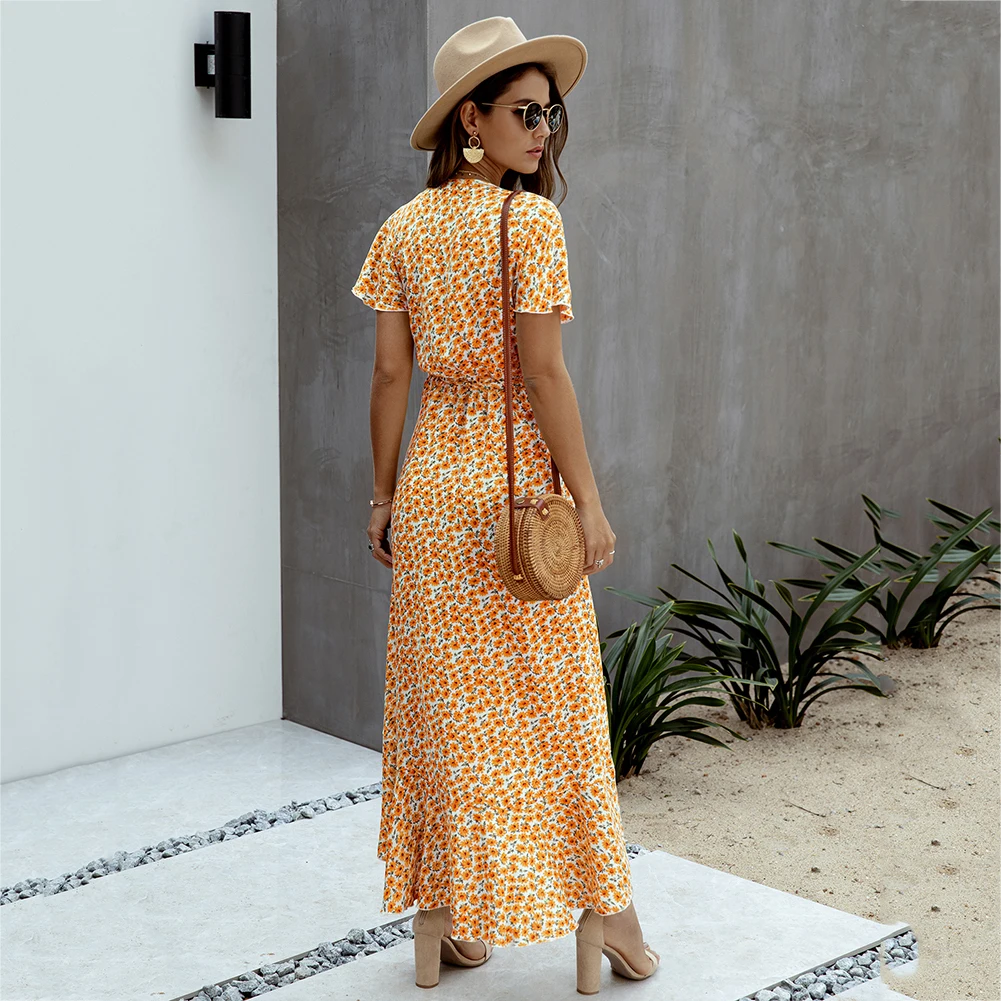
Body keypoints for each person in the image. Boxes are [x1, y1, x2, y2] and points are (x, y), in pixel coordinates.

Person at [351, 16, 660, 994]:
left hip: (434, 495)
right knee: (560, 710)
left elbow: (390, 376)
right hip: (516, 500)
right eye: (524, 113)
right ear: (470, 120)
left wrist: (384, 495)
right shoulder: (528, 224)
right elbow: (544, 375)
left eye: (549, 113)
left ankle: (437, 922)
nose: (542, 131)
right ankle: (604, 916)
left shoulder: (401, 228)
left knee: (445, 711)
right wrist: (590, 501)